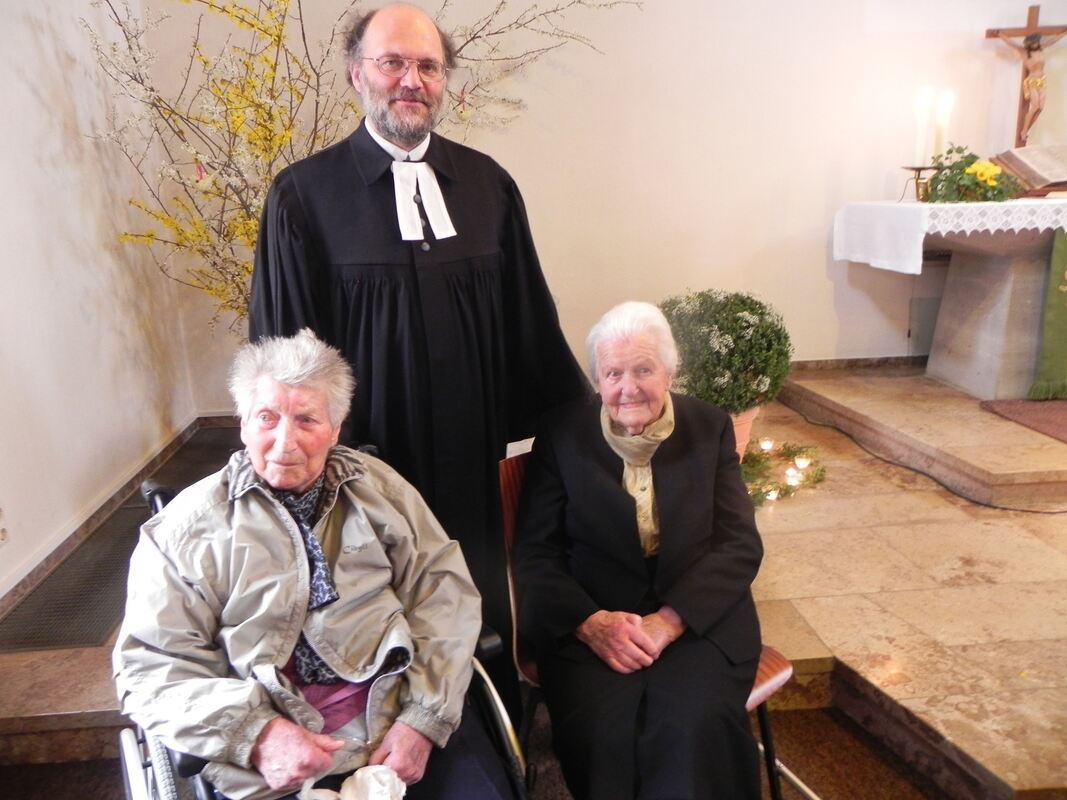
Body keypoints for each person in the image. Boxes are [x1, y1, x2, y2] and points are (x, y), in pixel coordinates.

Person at [248, 1, 588, 700]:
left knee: (476, 600)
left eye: (427, 66)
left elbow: (527, 317)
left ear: (445, 81)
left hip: (468, 457)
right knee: (375, 625)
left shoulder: (488, 186)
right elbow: (284, 356)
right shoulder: (303, 198)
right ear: (356, 75)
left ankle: (488, 724)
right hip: (363, 470)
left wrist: (573, 433)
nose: (411, 80)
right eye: (392, 63)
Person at [113, 330, 514, 800]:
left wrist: (424, 718)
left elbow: (442, 593)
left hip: (399, 716)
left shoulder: (380, 492)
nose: (285, 442)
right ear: (242, 424)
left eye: (306, 419)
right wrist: (255, 734)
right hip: (269, 750)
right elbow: (149, 666)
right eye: (267, 417)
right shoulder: (184, 530)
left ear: (336, 429)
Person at [513, 301, 765, 800]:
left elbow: (739, 543)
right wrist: (590, 623)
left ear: (669, 372)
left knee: (694, 723)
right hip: (593, 620)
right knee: (604, 730)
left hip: (696, 618)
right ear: (597, 380)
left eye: (644, 370)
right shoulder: (562, 434)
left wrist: (670, 621)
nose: (628, 388)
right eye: (613, 373)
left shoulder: (709, 427)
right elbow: (535, 553)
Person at [998, 31, 1067, 144]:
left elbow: (1053, 40)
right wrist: (1001, 35)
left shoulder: (1041, 48)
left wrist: (1064, 33)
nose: (1036, 44)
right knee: (1035, 106)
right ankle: (1024, 131)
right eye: (1034, 42)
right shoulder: (1024, 52)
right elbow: (1011, 43)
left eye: (1037, 42)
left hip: (1042, 80)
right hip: (1032, 81)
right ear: (1029, 44)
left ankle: (1027, 129)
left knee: (1040, 108)